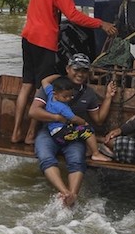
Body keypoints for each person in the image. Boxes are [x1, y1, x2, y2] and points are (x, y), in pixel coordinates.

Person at [11, 0, 118, 144]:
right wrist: (101, 23)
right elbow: (73, 15)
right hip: (44, 39)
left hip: (28, 36)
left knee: (27, 85)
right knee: (43, 87)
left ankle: (16, 132)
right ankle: (31, 135)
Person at [28, 53, 117, 207]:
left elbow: (98, 119)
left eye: (84, 71)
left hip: (72, 135)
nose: (80, 74)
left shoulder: (88, 93)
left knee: (77, 159)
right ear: (68, 69)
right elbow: (33, 112)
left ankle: (72, 195)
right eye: (76, 69)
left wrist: (108, 97)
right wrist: (56, 118)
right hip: (49, 132)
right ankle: (64, 191)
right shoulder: (55, 88)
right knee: (45, 156)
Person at [41, 75, 112, 164]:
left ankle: (89, 149)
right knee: (88, 130)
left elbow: (44, 81)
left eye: (71, 96)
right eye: (65, 96)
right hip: (62, 135)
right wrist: (84, 123)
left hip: (55, 133)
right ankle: (96, 153)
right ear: (56, 94)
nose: (69, 98)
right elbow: (74, 118)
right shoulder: (62, 107)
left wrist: (58, 75)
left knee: (78, 130)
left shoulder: (51, 94)